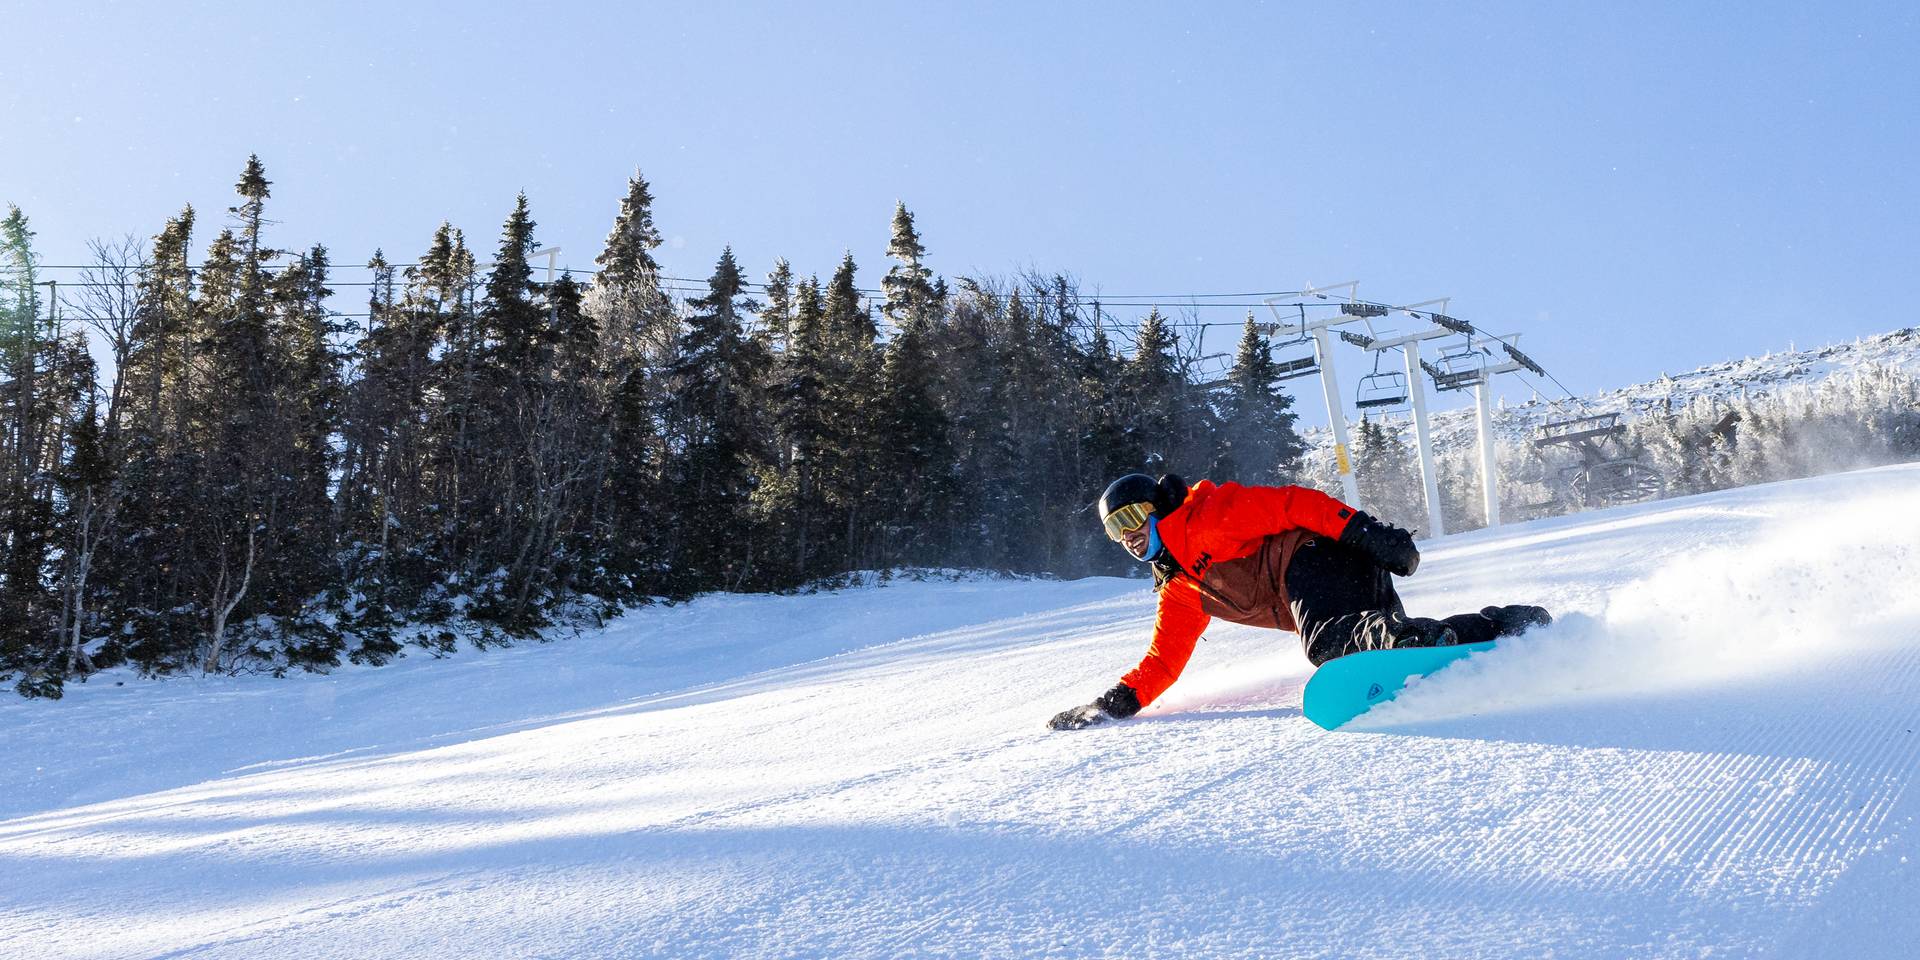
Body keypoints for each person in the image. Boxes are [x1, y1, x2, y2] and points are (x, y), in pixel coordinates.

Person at [1048, 473, 1551, 730]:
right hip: (1331, 586)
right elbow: (1163, 661)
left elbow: (1294, 503)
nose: (1128, 535)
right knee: (1384, 640)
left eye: (1132, 517)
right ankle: (1502, 626)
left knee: (1330, 643)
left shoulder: (1207, 519)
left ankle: (1399, 637)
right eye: (1115, 530)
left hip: (1321, 554)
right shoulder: (1179, 589)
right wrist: (1112, 705)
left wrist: (1369, 533)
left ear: (1158, 508)